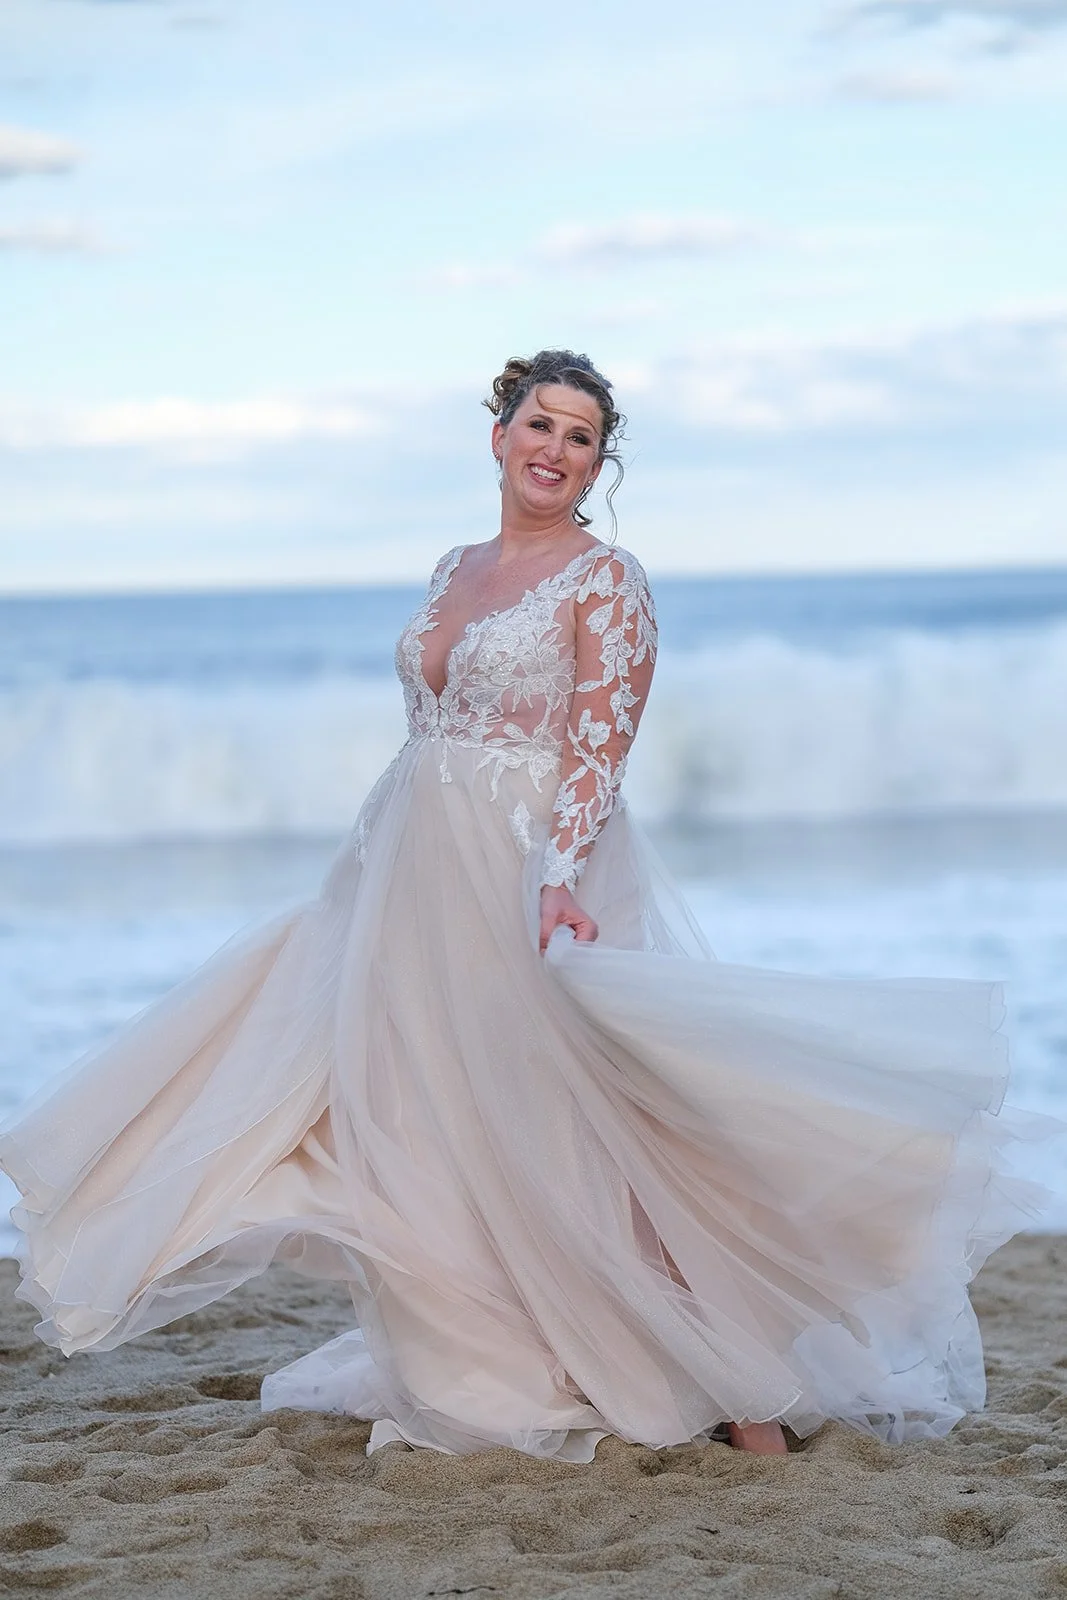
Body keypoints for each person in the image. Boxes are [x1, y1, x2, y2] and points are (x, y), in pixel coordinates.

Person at [0, 349, 1047, 1462]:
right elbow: (427, 728)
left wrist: (556, 880)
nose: (554, 448)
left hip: (534, 865)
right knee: (419, 1112)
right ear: (498, 436)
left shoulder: (608, 579)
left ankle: (744, 1392)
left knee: (602, 1118)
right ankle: (507, 1348)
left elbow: (602, 742)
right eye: (538, 424)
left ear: (599, 463)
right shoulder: (452, 565)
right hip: (406, 867)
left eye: (580, 435)